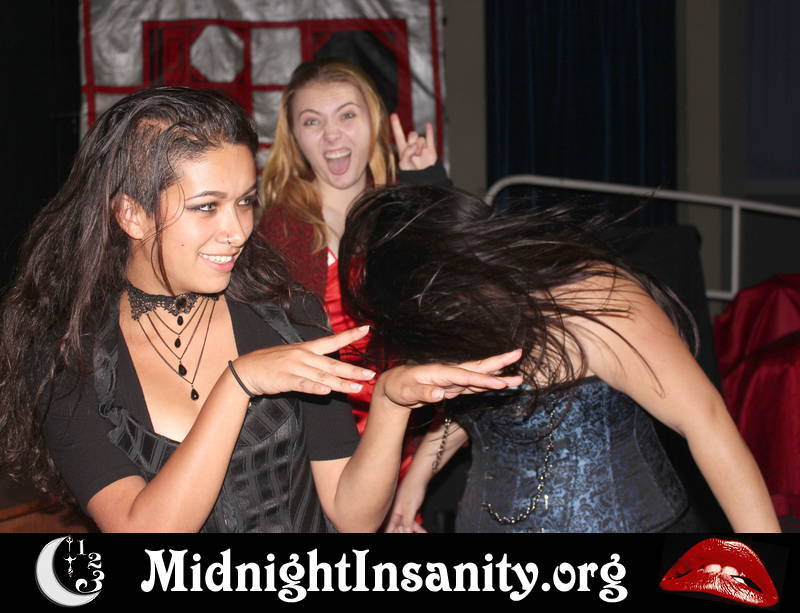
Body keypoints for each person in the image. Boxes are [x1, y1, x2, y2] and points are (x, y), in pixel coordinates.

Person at [0, 88, 521, 533]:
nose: (237, 231)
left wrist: (389, 402)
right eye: (207, 207)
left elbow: (352, 516)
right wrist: (237, 384)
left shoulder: (287, 314)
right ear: (131, 215)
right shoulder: (67, 353)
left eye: (245, 202)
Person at [338, 184, 781, 533]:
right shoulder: (456, 317)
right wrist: (416, 479)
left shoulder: (595, 300)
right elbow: (475, 403)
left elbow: (707, 422)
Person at [259, 58, 449, 442]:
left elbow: (454, 297)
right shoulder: (276, 229)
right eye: (312, 122)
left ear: (373, 121)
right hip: (316, 436)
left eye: (347, 115)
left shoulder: (401, 211)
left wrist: (428, 189)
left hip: (409, 427)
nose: (332, 135)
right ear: (294, 137)